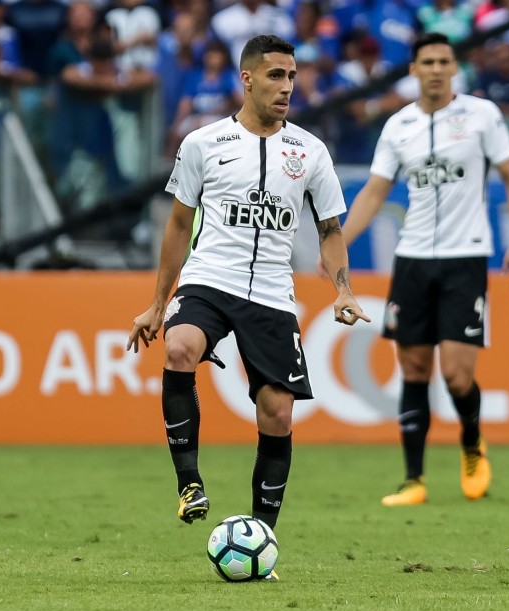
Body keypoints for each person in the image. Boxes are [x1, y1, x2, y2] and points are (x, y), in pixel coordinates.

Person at [127, 34, 369, 579]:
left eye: (292, 76)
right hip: (210, 277)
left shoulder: (309, 151)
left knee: (278, 412)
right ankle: (189, 483)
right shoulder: (202, 144)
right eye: (276, 75)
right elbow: (177, 225)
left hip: (270, 294)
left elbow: (330, 229)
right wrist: (156, 303)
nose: (287, 87)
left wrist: (343, 289)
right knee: (180, 347)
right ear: (248, 79)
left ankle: (263, 536)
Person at [339, 32, 509, 506]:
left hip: (467, 257)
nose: (438, 68)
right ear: (414, 69)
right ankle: (414, 480)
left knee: (458, 375)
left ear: (454, 68)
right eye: (428, 61)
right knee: (414, 369)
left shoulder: (482, 115)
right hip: (413, 260)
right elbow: (374, 192)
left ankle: (471, 443)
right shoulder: (398, 125)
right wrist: (337, 244)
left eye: (445, 61)